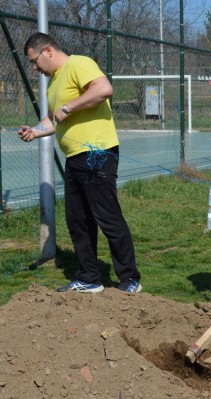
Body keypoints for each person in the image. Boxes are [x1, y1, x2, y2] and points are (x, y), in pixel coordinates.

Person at [18, 32, 141, 294]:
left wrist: (70, 107)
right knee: (78, 219)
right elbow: (54, 119)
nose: (34, 68)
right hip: (75, 157)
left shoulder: (78, 64)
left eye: (34, 61)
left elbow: (103, 89)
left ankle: (130, 278)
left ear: (48, 51)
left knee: (106, 216)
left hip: (98, 152)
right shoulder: (53, 84)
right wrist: (36, 131)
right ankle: (89, 277)